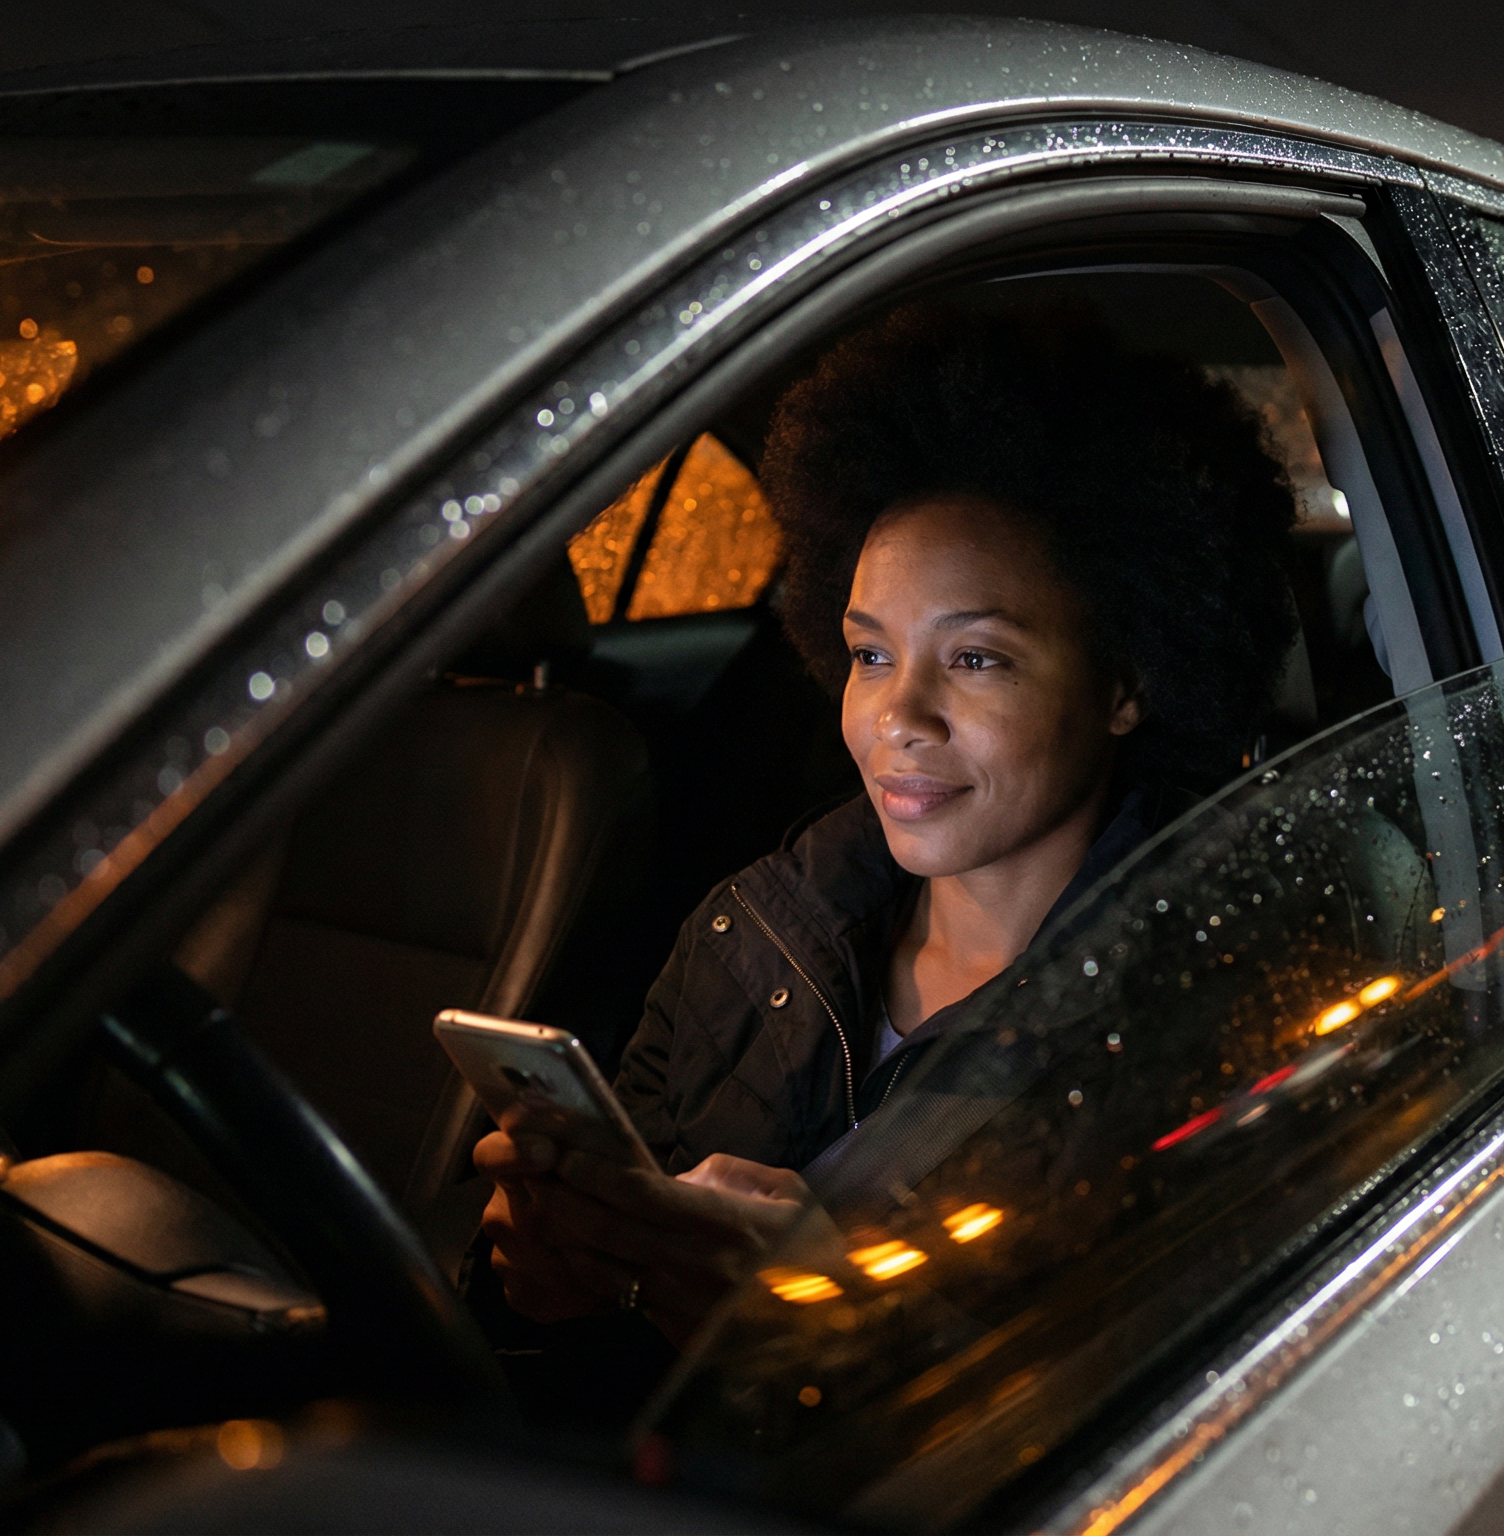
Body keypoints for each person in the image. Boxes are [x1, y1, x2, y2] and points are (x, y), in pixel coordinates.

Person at [469, 300, 1299, 1401]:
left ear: (1125, 684)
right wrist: (542, 1284)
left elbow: (1161, 1417)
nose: (896, 714)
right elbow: (584, 1348)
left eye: (977, 659)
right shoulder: (747, 935)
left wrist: (832, 1321)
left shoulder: (1203, 1020)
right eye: (869, 653)